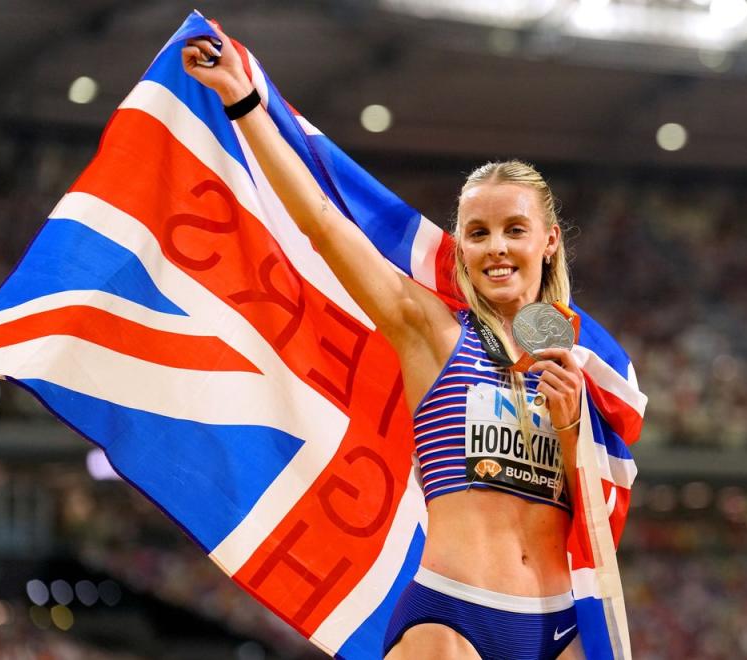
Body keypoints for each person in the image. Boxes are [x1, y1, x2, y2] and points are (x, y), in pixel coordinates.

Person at [183, 25, 588, 660]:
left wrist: (569, 427)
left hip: (559, 625)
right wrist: (244, 103)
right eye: (478, 233)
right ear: (461, 246)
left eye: (515, 229)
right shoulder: (431, 332)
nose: (497, 248)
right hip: (455, 615)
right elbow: (321, 223)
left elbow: (591, 505)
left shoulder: (576, 360)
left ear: (550, 240)